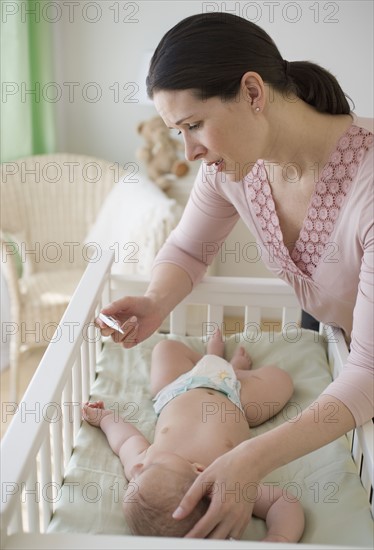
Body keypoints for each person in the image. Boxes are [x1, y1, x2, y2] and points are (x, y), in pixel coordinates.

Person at [97, 12, 373, 540]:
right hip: (342, 332)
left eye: (195, 125)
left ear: (252, 92)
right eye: (178, 133)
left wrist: (249, 459)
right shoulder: (235, 169)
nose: (189, 152)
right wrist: (156, 301)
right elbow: (189, 247)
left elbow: (368, 372)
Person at [82, 330, 304, 542]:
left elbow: (125, 441)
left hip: (177, 388)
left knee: (165, 348)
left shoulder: (143, 465)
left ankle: (212, 359)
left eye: (135, 478)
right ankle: (232, 370)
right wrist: (279, 537)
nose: (136, 469)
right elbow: (281, 502)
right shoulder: (228, 484)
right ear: (199, 471)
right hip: (234, 397)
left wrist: (104, 418)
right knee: (281, 379)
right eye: (143, 472)